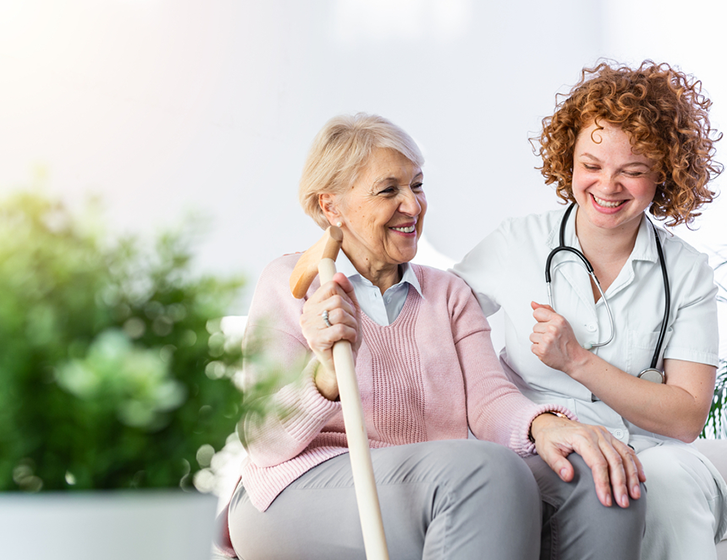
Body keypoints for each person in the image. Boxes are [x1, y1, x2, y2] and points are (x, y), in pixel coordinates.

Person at [221, 113, 646, 560]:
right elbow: (262, 442)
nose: (413, 205)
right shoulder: (292, 284)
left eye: (417, 185)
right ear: (332, 207)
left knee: (602, 476)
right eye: (389, 190)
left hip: (431, 479)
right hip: (297, 489)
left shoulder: (447, 293)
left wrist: (546, 424)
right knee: (486, 471)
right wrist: (325, 374)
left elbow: (490, 400)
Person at [452, 60, 727, 560]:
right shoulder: (516, 243)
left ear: (665, 173)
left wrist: (577, 361)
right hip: (543, 445)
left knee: (668, 483)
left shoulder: (686, 271)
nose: (608, 186)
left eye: (633, 171)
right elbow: (437, 315)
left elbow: (686, 417)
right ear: (568, 160)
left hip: (653, 451)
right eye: (592, 165)